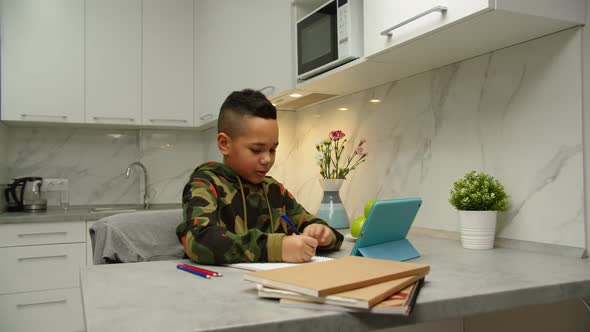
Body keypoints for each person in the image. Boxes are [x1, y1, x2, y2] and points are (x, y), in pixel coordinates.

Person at [176, 89, 343, 265]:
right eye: (256, 150)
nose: (267, 159)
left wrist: (321, 233)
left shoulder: (273, 189)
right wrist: (276, 247)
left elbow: (310, 223)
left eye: (273, 149)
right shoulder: (205, 184)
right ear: (224, 144)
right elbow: (199, 240)